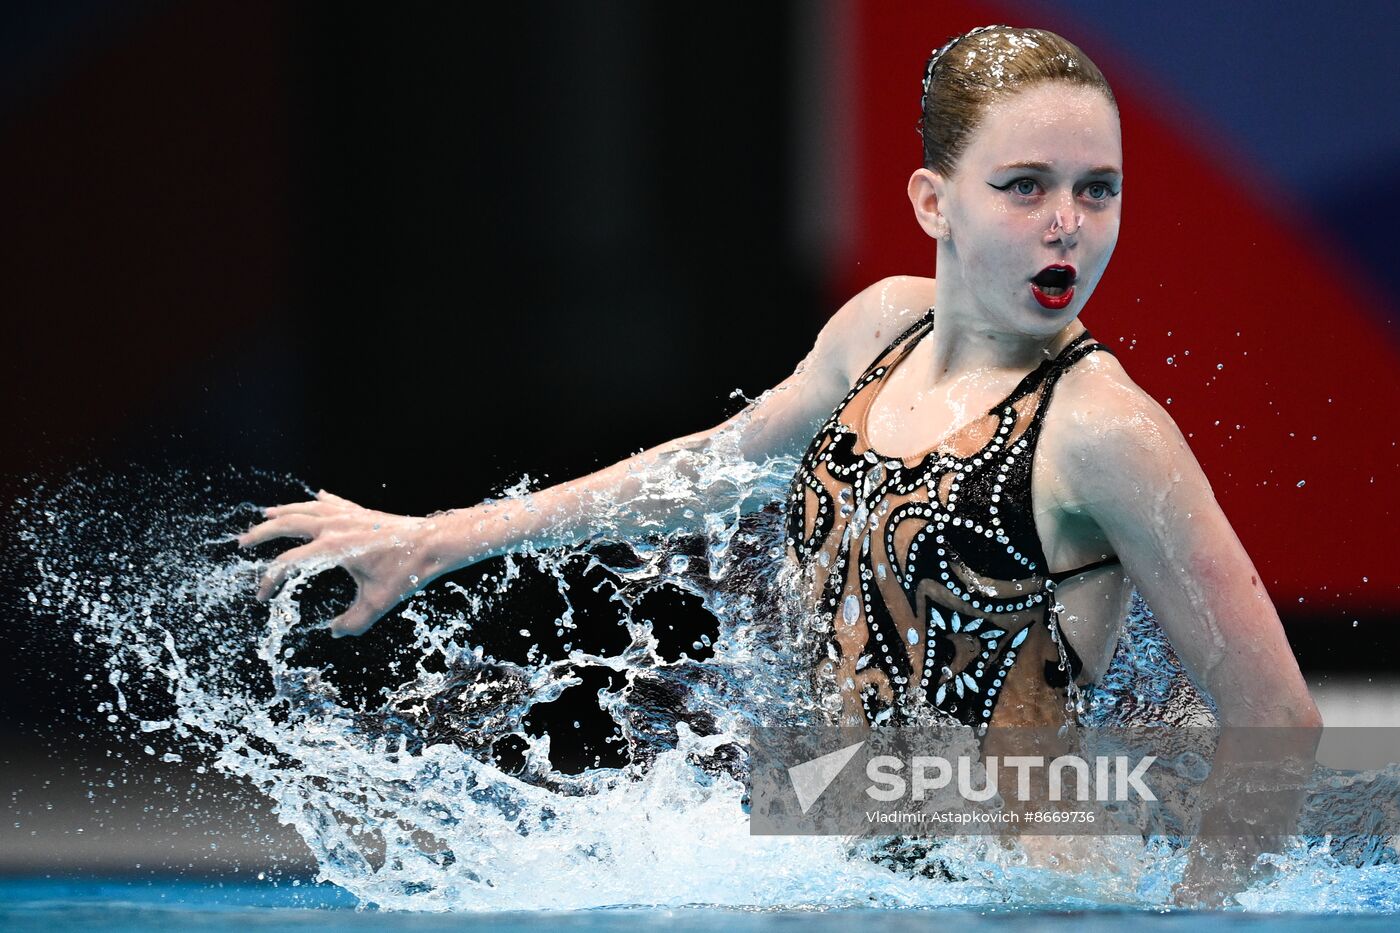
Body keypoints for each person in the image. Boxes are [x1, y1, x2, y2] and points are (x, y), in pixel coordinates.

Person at [237, 24, 1320, 899]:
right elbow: (706, 470)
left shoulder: (1103, 432)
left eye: (1097, 189)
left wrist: (1199, 922)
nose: (1066, 227)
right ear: (931, 202)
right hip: (832, 859)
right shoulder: (879, 332)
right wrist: (437, 541)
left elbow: (1274, 720)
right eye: (1024, 185)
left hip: (1012, 899)